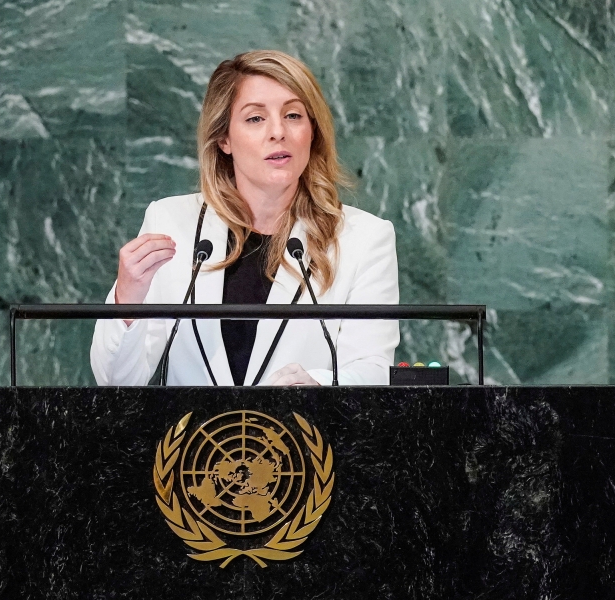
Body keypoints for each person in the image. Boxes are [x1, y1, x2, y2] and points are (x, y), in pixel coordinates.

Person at [90, 50, 398, 386]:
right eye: (255, 118)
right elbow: (116, 383)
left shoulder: (364, 239)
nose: (278, 131)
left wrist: (317, 385)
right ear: (224, 139)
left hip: (300, 436)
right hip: (195, 439)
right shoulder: (171, 222)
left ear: (313, 131)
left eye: (294, 115)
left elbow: (373, 370)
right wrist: (127, 299)